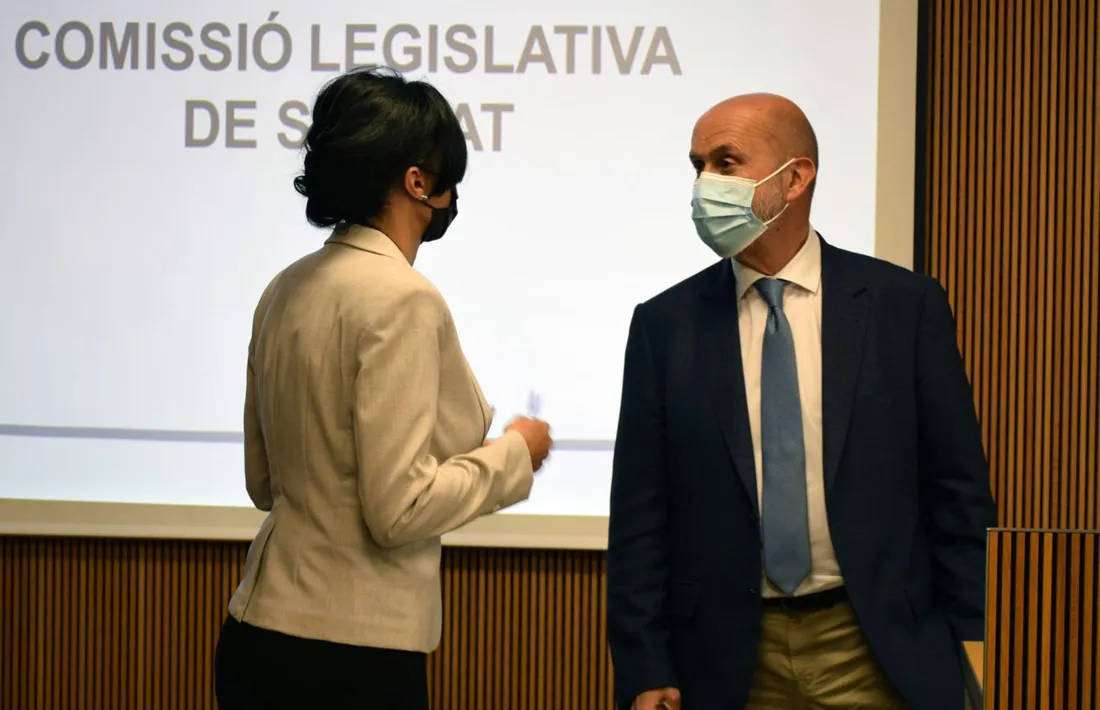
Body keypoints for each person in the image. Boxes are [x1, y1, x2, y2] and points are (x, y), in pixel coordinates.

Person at [606, 93, 997, 709]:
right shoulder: (665, 325)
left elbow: (957, 494)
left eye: (726, 162)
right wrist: (644, 664)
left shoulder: (902, 307)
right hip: (726, 655)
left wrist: (978, 645)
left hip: (878, 644)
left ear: (795, 178)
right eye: (697, 164)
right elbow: (639, 516)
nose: (706, 183)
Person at [213, 67, 553, 709]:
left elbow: (263, 485)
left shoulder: (284, 287)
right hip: (351, 658)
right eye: (446, 172)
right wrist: (515, 454)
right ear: (418, 181)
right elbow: (399, 511)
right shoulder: (403, 299)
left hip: (256, 634)